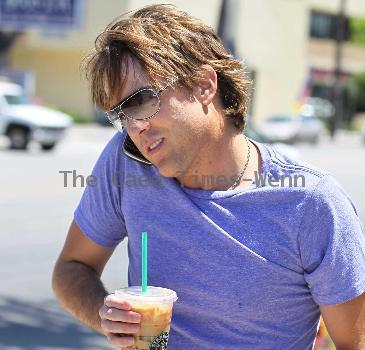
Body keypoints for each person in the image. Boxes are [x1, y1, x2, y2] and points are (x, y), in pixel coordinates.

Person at [52, 4, 365, 349]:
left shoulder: (311, 203)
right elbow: (72, 267)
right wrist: (105, 315)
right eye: (122, 115)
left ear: (203, 84)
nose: (135, 127)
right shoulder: (127, 160)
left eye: (141, 102)